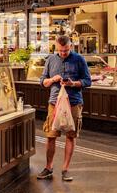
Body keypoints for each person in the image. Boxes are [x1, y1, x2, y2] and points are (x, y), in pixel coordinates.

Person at [38, 35, 91, 182]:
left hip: (73, 102)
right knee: (50, 136)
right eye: (60, 51)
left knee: (70, 136)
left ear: (71, 47)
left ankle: (65, 169)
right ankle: (48, 167)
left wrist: (73, 84)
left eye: (66, 51)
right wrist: (52, 79)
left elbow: (87, 81)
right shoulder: (50, 60)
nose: (63, 53)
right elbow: (43, 82)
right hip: (54, 102)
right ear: (56, 48)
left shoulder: (79, 59)